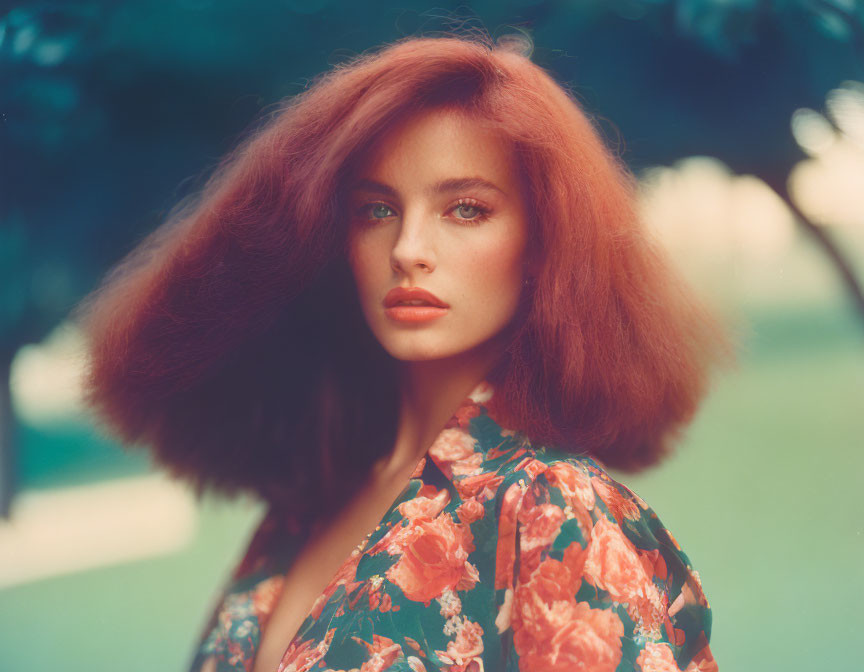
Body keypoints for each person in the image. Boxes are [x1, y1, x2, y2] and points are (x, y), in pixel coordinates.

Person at [74, 32, 729, 672]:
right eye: (377, 211)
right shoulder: (310, 505)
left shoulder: (554, 511)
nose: (408, 249)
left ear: (540, 247)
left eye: (466, 209)